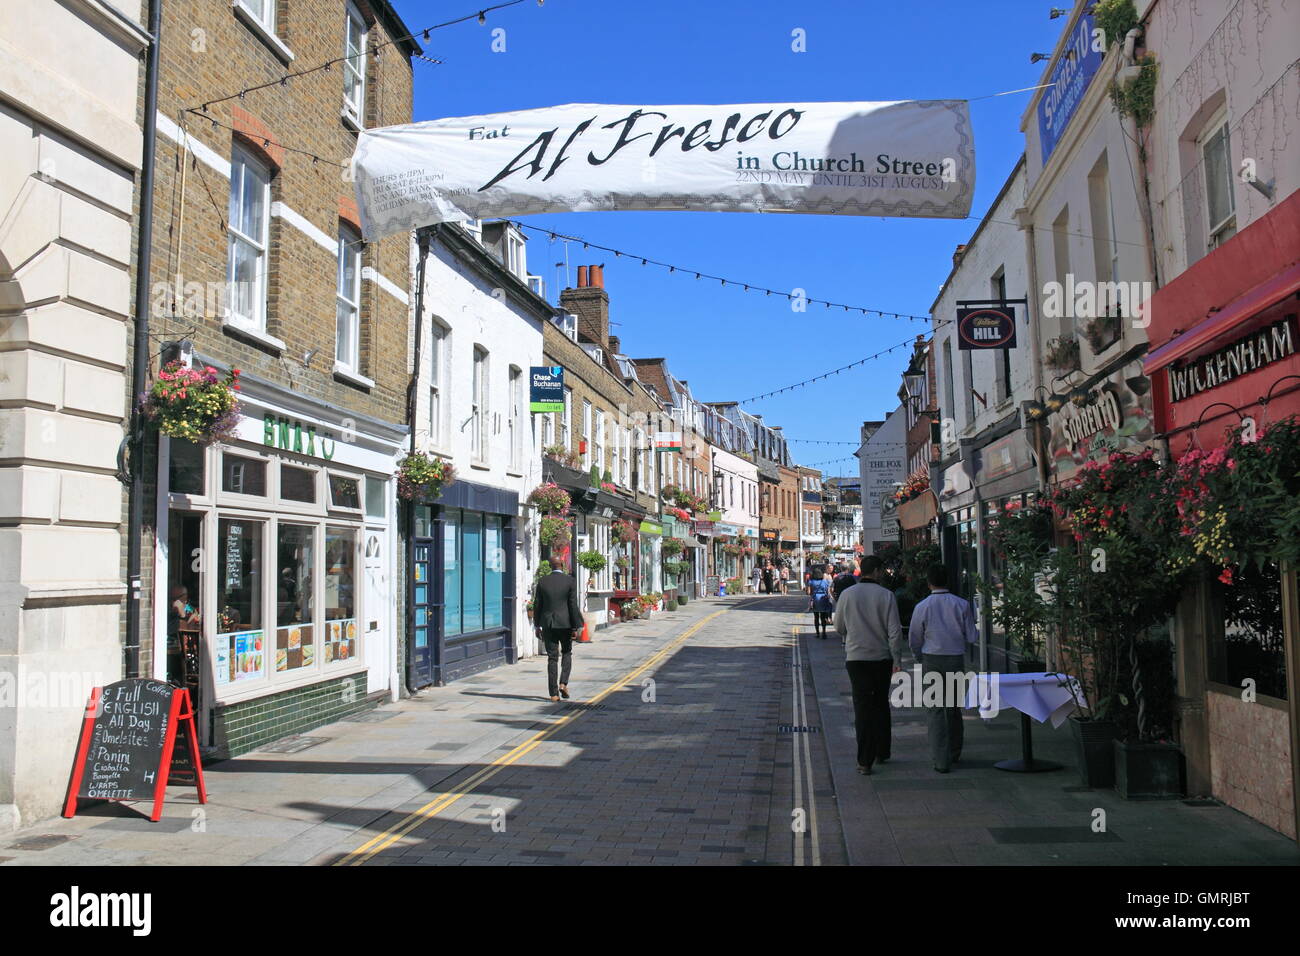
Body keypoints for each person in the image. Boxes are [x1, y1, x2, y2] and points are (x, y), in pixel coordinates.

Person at [833, 556, 903, 775]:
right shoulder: (887, 595)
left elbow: (839, 626)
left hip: (856, 659)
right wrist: (897, 659)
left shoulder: (847, 595)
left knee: (862, 707)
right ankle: (882, 750)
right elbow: (894, 632)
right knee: (881, 703)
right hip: (882, 658)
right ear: (877, 572)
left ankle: (865, 760)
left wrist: (852, 633)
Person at [908, 563, 978, 774]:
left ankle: (941, 759)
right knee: (954, 708)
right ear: (947, 580)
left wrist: (919, 656)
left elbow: (914, 637)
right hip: (955, 658)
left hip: (932, 659)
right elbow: (972, 636)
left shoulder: (922, 606)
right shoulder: (962, 604)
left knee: (935, 710)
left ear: (929, 582)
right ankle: (955, 752)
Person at [533, 558, 584, 702]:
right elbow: (572, 605)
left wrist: (537, 625)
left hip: (548, 624)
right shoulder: (570, 581)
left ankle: (553, 694)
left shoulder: (543, 581)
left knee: (552, 658)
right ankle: (563, 683)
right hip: (565, 623)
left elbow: (537, 605)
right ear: (563, 566)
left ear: (549, 566)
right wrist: (576, 626)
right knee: (567, 652)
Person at [806, 566, 834, 639]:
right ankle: (824, 632)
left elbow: (809, 592)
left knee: (816, 617)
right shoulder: (825, 581)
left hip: (815, 599)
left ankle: (818, 633)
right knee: (823, 616)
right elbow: (828, 591)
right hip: (823, 599)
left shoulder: (811, 582)